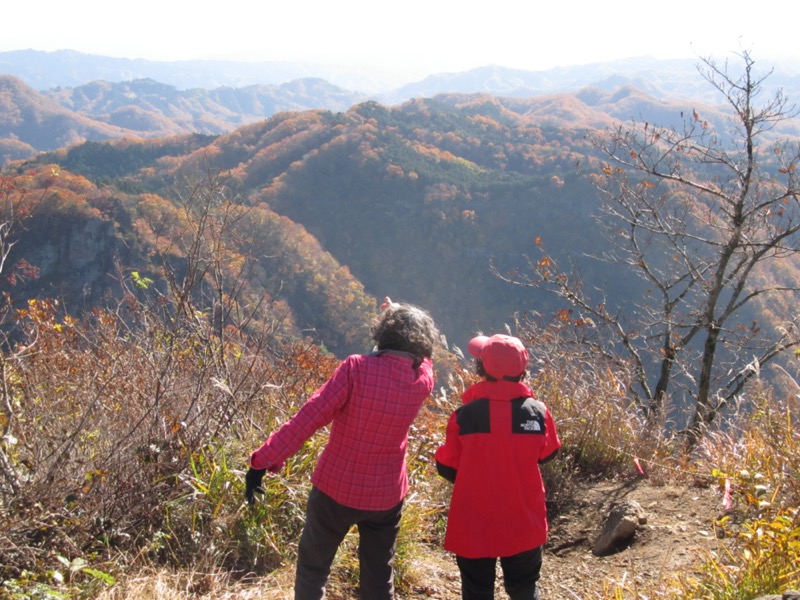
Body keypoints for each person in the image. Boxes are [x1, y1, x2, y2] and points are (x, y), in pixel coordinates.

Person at [245, 297, 438, 600]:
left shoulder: (355, 369)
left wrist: (263, 460)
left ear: (381, 334)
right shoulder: (422, 380)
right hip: (386, 496)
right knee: (378, 576)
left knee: (314, 568)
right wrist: (397, 314)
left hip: (336, 488)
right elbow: (425, 358)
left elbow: (308, 419)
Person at [435, 333, 561, 600]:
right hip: (524, 521)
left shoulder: (463, 416)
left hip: (473, 522)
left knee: (477, 591)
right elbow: (548, 453)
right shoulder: (538, 413)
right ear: (523, 370)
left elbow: (447, 467)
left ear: (481, 368)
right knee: (524, 588)